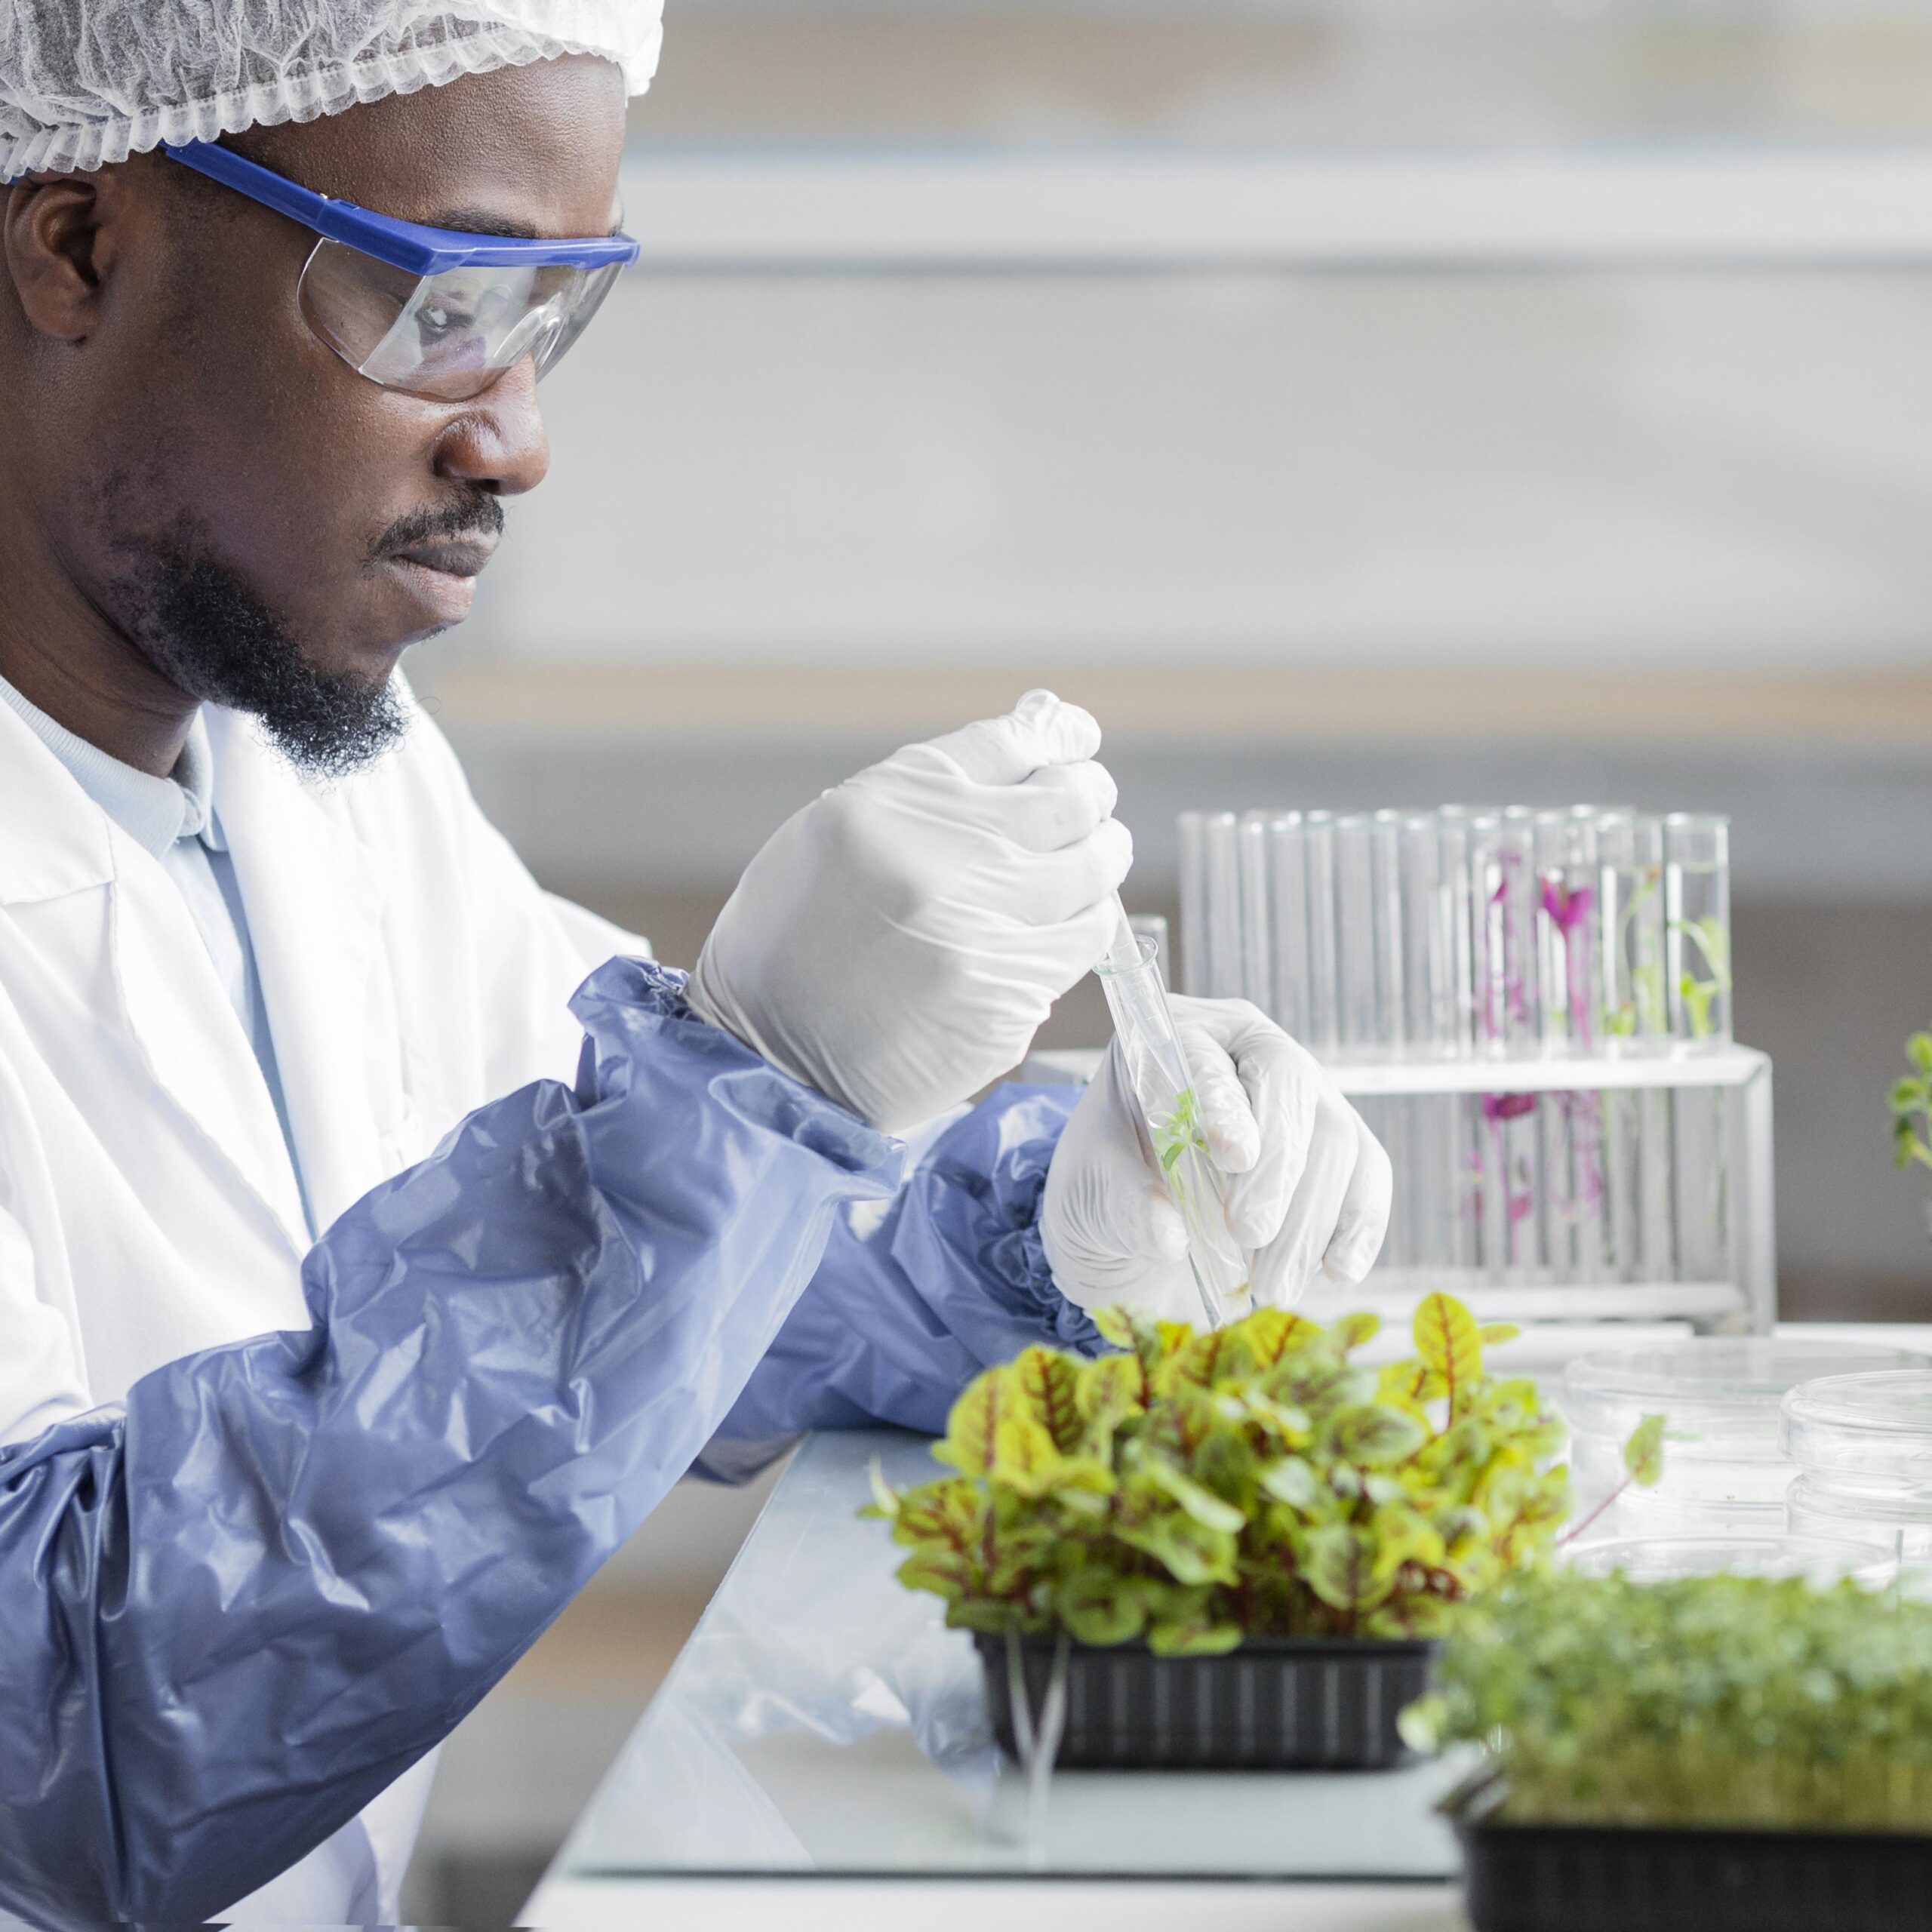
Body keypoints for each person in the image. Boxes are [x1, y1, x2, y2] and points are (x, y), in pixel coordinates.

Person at [0, 5, 1392, 1923]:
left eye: (555, 316)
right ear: (79, 247)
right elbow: (57, 1722)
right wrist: (754, 1091)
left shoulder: (316, 773)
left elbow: (641, 1295)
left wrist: (1029, 1219)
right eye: (436, 305)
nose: (519, 437)